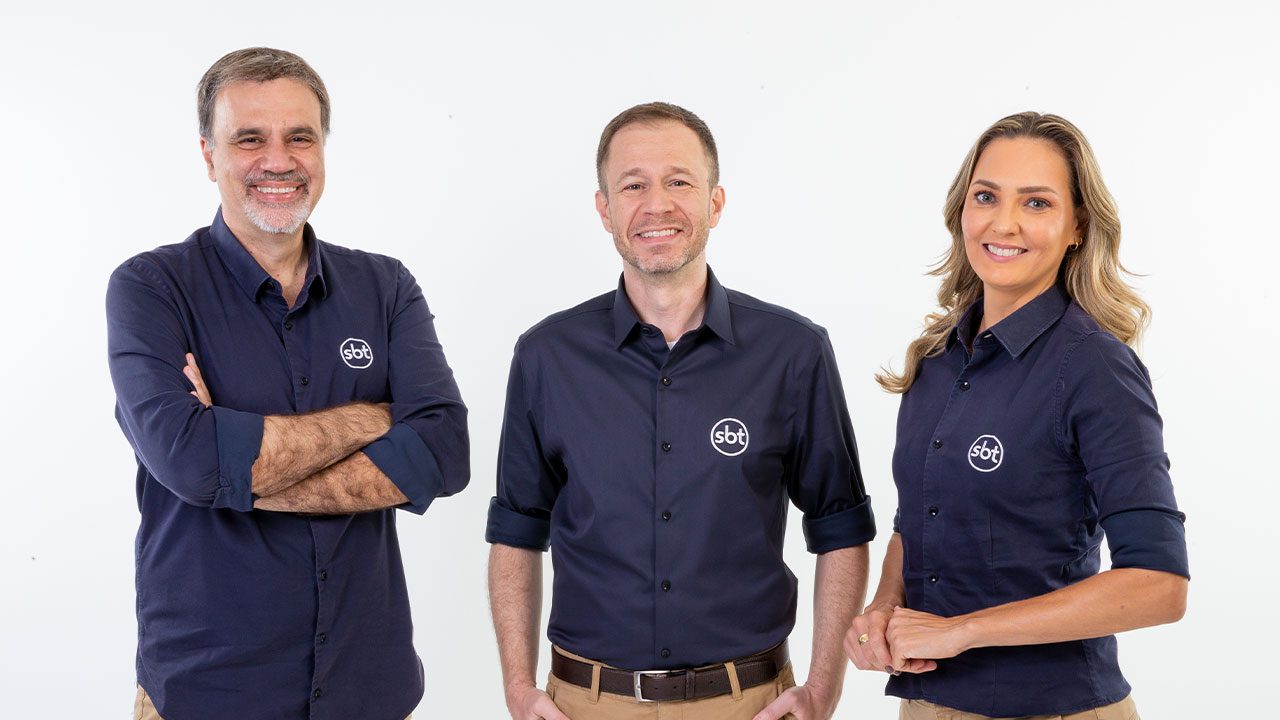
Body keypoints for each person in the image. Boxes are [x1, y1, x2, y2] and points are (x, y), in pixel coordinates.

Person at [105, 47, 468, 720]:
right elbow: (189, 459)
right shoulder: (151, 289)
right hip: (209, 691)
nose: (278, 159)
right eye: (250, 138)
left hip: (369, 686)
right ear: (210, 156)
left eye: (299, 136)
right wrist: (375, 418)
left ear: (322, 148)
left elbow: (446, 451)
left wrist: (240, 472)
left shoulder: (385, 287)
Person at [486, 102, 876, 720]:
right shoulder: (546, 356)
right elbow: (515, 531)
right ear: (604, 208)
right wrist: (515, 685)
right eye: (633, 185)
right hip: (587, 704)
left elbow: (841, 526)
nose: (656, 205)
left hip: (749, 702)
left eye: (679, 182)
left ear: (716, 203)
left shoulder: (793, 351)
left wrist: (824, 687)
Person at [844, 112, 1188, 719]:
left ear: (1078, 225)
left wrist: (961, 631)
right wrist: (882, 608)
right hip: (926, 704)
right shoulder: (935, 362)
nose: (1003, 223)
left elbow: (1159, 585)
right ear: (961, 212)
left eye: (1036, 203)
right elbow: (917, 520)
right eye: (986, 197)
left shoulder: (1095, 369)